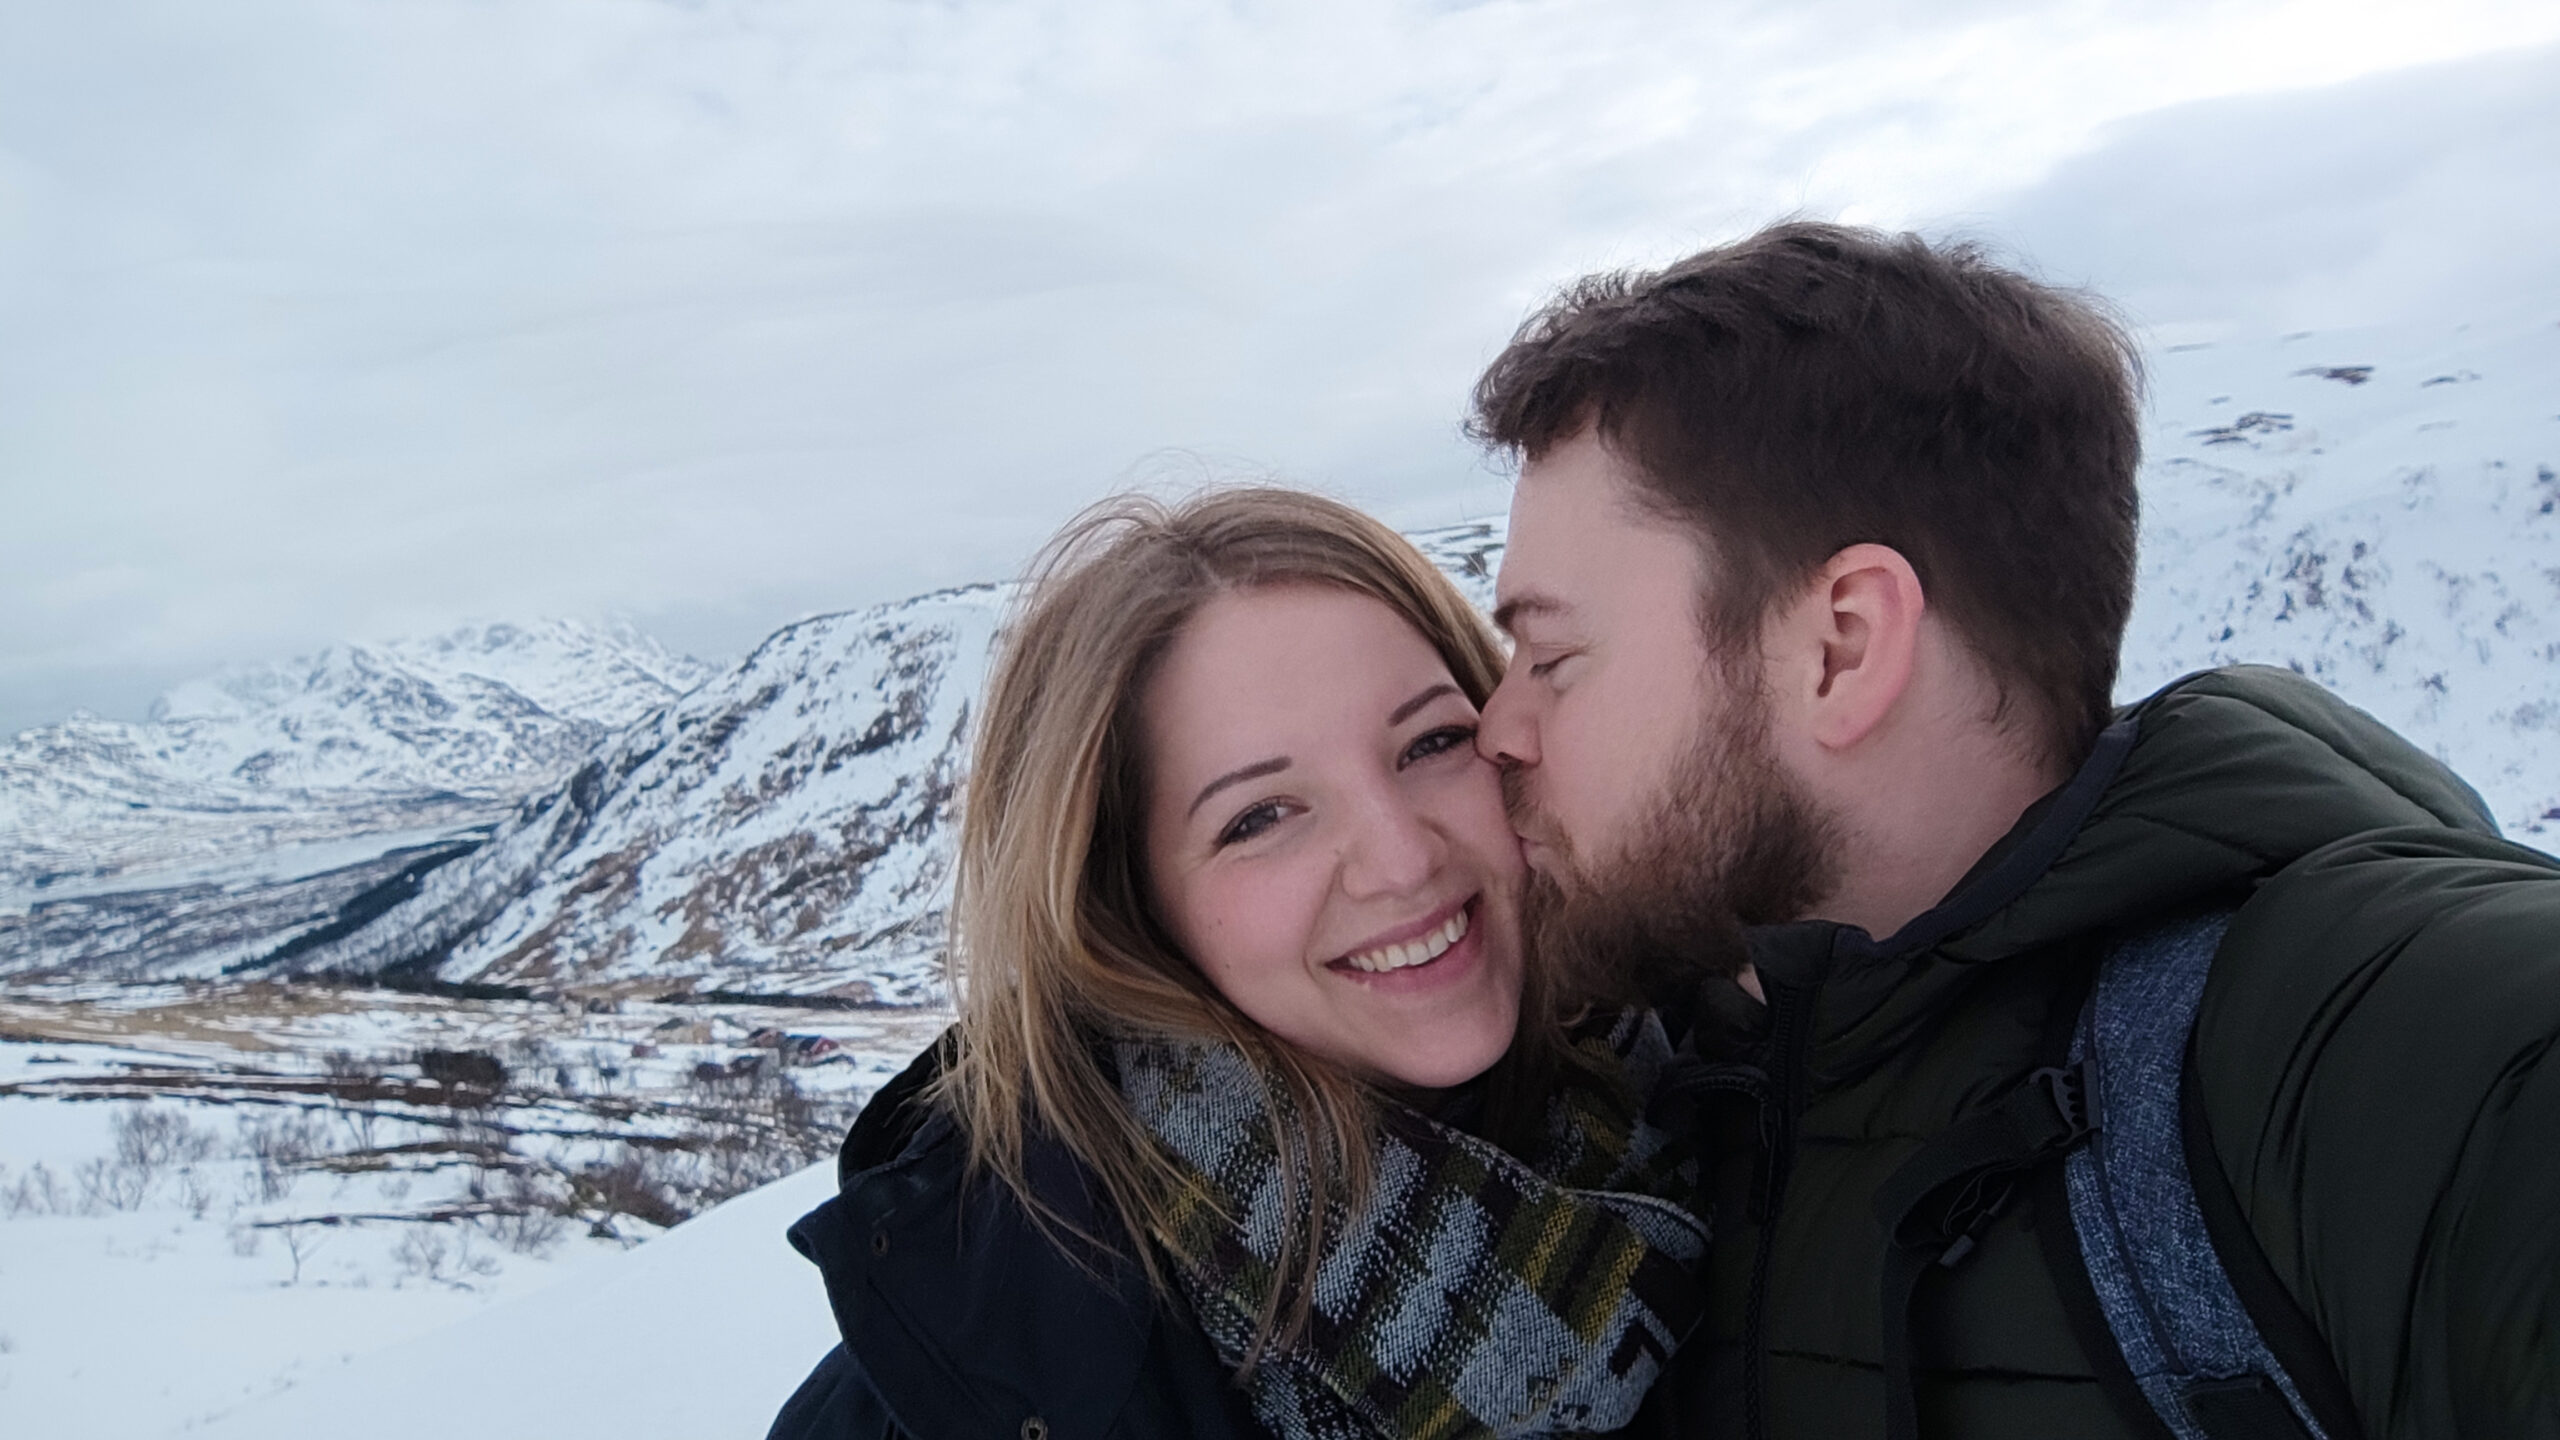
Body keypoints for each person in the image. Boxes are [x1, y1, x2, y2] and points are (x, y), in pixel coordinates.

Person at [1466, 218, 2560, 1440]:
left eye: (1551, 656)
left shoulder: (2371, 1043)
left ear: (1841, 647)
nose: (1495, 728)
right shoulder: (1651, 1093)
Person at [766, 488, 1709, 1440]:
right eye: (1261, 817)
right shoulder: (977, 1389)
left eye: (1432, 742)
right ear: (1126, 909)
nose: (1403, 859)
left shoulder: (1738, 1085)